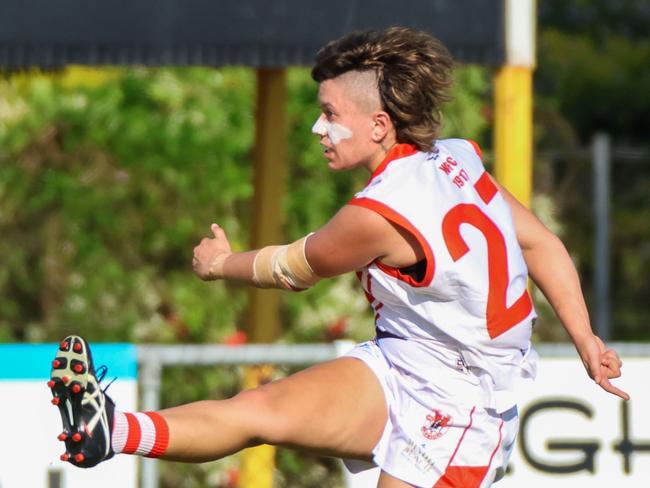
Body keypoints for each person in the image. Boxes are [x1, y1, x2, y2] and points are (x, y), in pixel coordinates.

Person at [49, 26, 628, 487]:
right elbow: (540, 241)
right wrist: (585, 339)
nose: (316, 127)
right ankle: (109, 431)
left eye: (330, 114)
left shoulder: (378, 213)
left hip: (462, 404)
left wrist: (218, 262)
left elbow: (292, 268)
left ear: (379, 125)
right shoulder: (457, 160)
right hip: (407, 360)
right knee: (260, 410)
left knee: (261, 413)